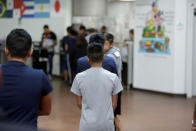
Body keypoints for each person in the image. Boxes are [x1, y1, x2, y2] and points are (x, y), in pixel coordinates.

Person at [0, 29, 53, 129]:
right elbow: (46, 110)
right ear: (30, 52)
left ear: (6, 51)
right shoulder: (40, 76)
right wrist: (26, 111)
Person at [71, 42, 123, 131]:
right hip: (107, 124)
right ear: (103, 57)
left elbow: (79, 103)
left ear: (87, 58)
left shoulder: (79, 77)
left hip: (87, 124)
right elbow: (114, 104)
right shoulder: (113, 78)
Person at [104, 33, 123, 131]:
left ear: (111, 44)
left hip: (113, 88)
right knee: (112, 115)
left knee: (113, 116)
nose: (102, 46)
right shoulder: (116, 51)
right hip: (115, 86)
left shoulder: (110, 56)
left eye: (105, 44)